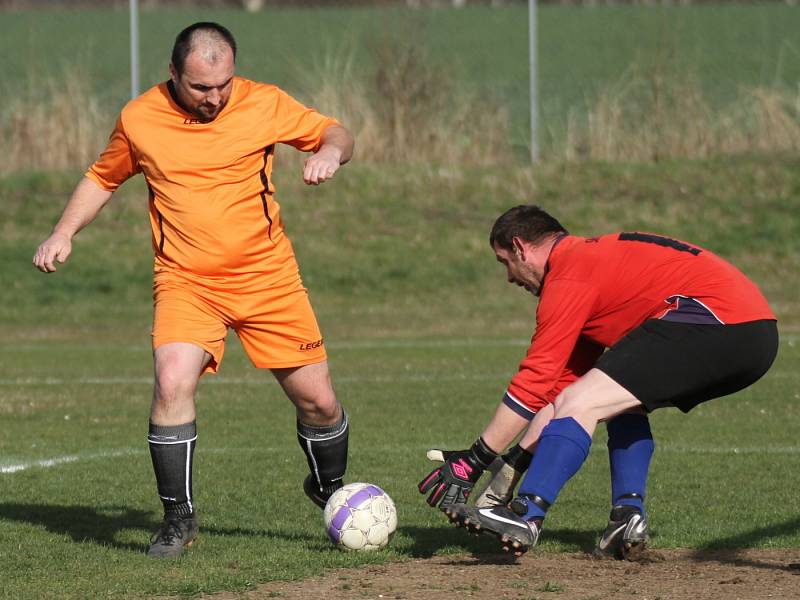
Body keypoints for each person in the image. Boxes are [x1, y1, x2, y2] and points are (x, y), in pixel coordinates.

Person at [32, 22, 355, 558]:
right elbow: (103, 177)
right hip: (186, 281)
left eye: (223, 84)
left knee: (318, 402)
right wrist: (63, 231)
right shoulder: (140, 118)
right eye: (201, 87)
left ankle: (328, 485)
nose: (215, 97)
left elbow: (338, 132)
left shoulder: (264, 103)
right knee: (170, 381)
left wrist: (329, 153)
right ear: (173, 73)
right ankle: (178, 517)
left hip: (268, 278)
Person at [419, 205, 777, 557]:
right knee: (611, 402)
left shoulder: (570, 274)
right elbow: (557, 392)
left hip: (719, 322)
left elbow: (535, 381)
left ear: (520, 246)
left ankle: (526, 515)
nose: (510, 277)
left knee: (585, 402)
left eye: (505, 262)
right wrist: (515, 459)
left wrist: (474, 460)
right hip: (749, 330)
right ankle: (627, 516)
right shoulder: (592, 267)